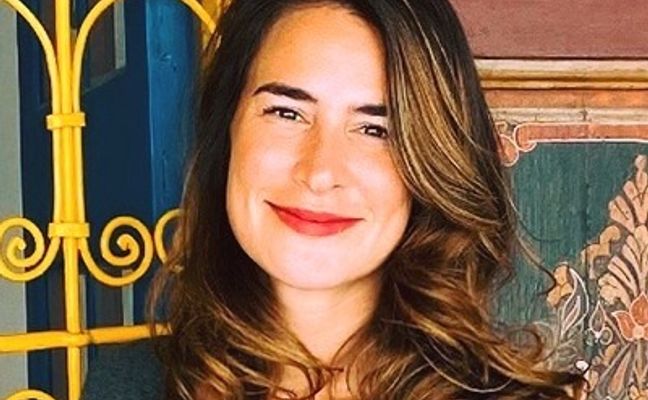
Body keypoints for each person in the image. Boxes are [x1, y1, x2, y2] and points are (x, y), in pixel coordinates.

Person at [83, 0, 585, 399]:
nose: (320, 172)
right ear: (226, 129)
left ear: (432, 163)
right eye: (286, 113)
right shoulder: (130, 384)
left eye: (375, 129)